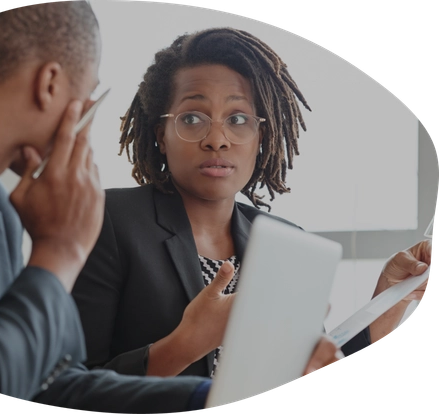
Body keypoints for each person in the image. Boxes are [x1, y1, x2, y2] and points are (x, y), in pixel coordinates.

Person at [0, 3, 317, 412]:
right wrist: (60, 249)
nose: (217, 140)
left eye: (238, 120)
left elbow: (48, 382)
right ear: (50, 85)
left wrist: (223, 398)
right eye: (91, 95)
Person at [70, 27, 433, 379]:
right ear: (161, 136)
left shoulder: (289, 243)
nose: (217, 139)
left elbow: (313, 365)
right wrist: (189, 342)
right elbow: (69, 386)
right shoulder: (107, 220)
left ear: (261, 137)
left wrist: (390, 297)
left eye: (238, 119)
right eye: (192, 118)